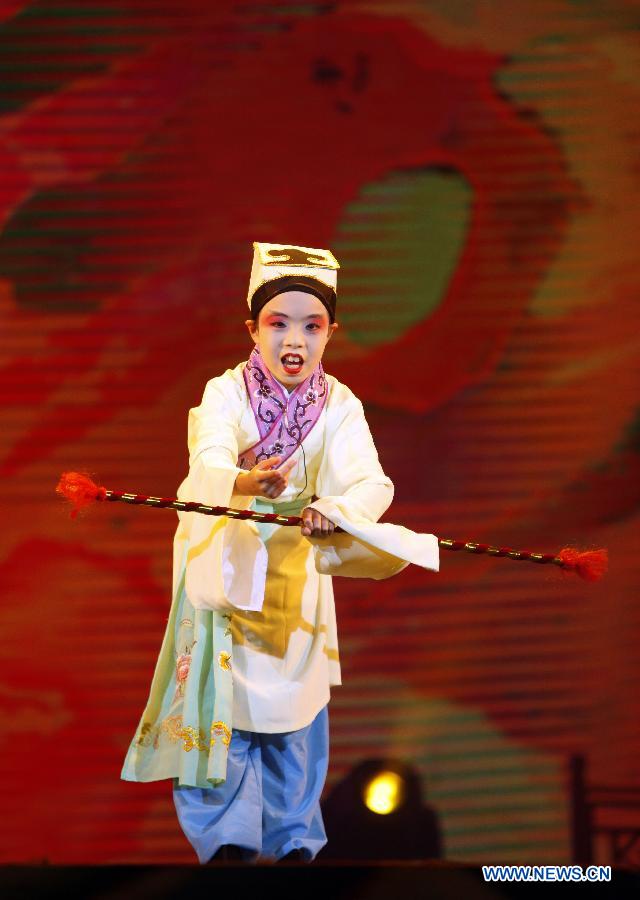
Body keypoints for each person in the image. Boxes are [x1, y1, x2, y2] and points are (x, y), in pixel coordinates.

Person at [121, 242, 439, 864]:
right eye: (278, 323)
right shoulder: (225, 392)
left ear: (331, 333)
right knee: (223, 712)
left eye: (312, 326)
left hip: (296, 576)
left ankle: (294, 843)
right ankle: (227, 846)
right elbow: (209, 457)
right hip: (227, 564)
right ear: (252, 329)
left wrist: (337, 512)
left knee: (295, 714)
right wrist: (240, 482)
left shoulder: (340, 405)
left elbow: (371, 483)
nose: (295, 340)